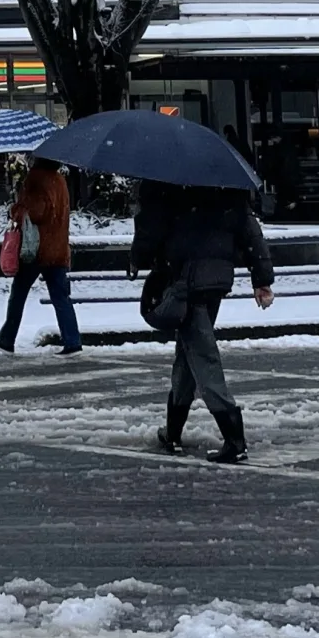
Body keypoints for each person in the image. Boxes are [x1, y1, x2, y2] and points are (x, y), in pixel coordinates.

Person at [131, 180, 274, 463]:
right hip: (216, 278)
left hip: (186, 279)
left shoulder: (165, 181)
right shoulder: (223, 181)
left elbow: (151, 227)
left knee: (203, 357)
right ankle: (172, 432)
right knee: (188, 356)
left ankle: (234, 438)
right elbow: (249, 230)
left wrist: (137, 259)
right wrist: (262, 277)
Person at [0, 157, 82, 356]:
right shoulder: (59, 180)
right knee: (61, 297)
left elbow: (36, 213)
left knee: (18, 293)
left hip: (36, 250)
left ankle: (7, 338)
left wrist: (17, 207)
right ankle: (72, 340)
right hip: (58, 249)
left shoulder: (36, 178)